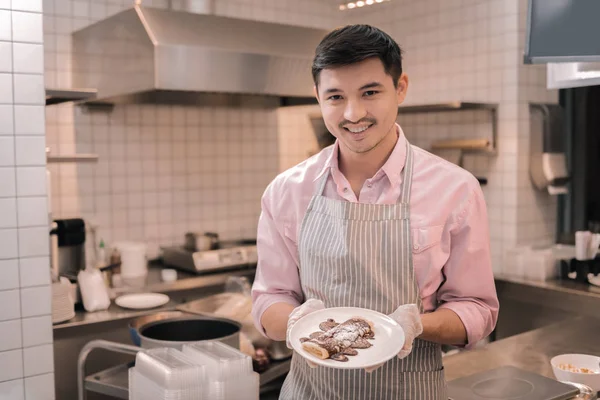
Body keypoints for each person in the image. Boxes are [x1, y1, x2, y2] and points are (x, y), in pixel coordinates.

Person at [251, 24, 499, 399]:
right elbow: (269, 299)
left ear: (400, 88)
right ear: (317, 96)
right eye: (335, 96)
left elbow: (478, 310)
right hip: (310, 391)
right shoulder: (287, 191)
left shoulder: (455, 189)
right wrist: (296, 321)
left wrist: (415, 326)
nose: (353, 113)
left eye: (370, 92)